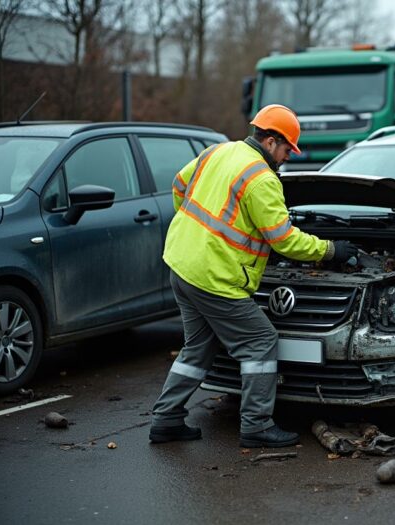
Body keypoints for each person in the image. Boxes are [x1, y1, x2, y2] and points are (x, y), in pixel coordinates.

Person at [149, 104, 358, 447]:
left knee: (198, 347)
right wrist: (331, 250)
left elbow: (179, 186)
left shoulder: (218, 151)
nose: (287, 158)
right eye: (287, 150)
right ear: (271, 141)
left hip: (181, 263)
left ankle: (166, 419)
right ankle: (256, 425)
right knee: (261, 341)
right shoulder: (261, 178)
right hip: (214, 277)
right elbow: (284, 240)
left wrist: (196, 234)